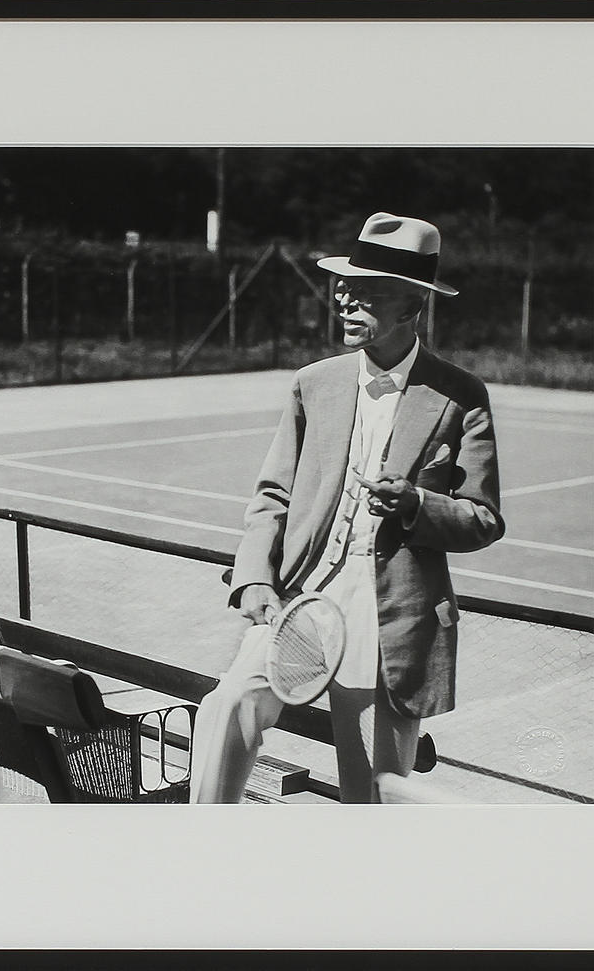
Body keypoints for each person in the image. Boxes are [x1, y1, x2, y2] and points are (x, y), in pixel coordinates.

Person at [189, 212, 504, 803]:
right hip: (301, 599)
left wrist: (415, 503)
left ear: (413, 307)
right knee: (228, 706)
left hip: (389, 619)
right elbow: (273, 495)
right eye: (345, 288)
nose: (346, 300)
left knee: (370, 792)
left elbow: (483, 518)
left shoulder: (460, 396)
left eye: (368, 293)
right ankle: (204, 847)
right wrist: (255, 577)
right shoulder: (314, 383)